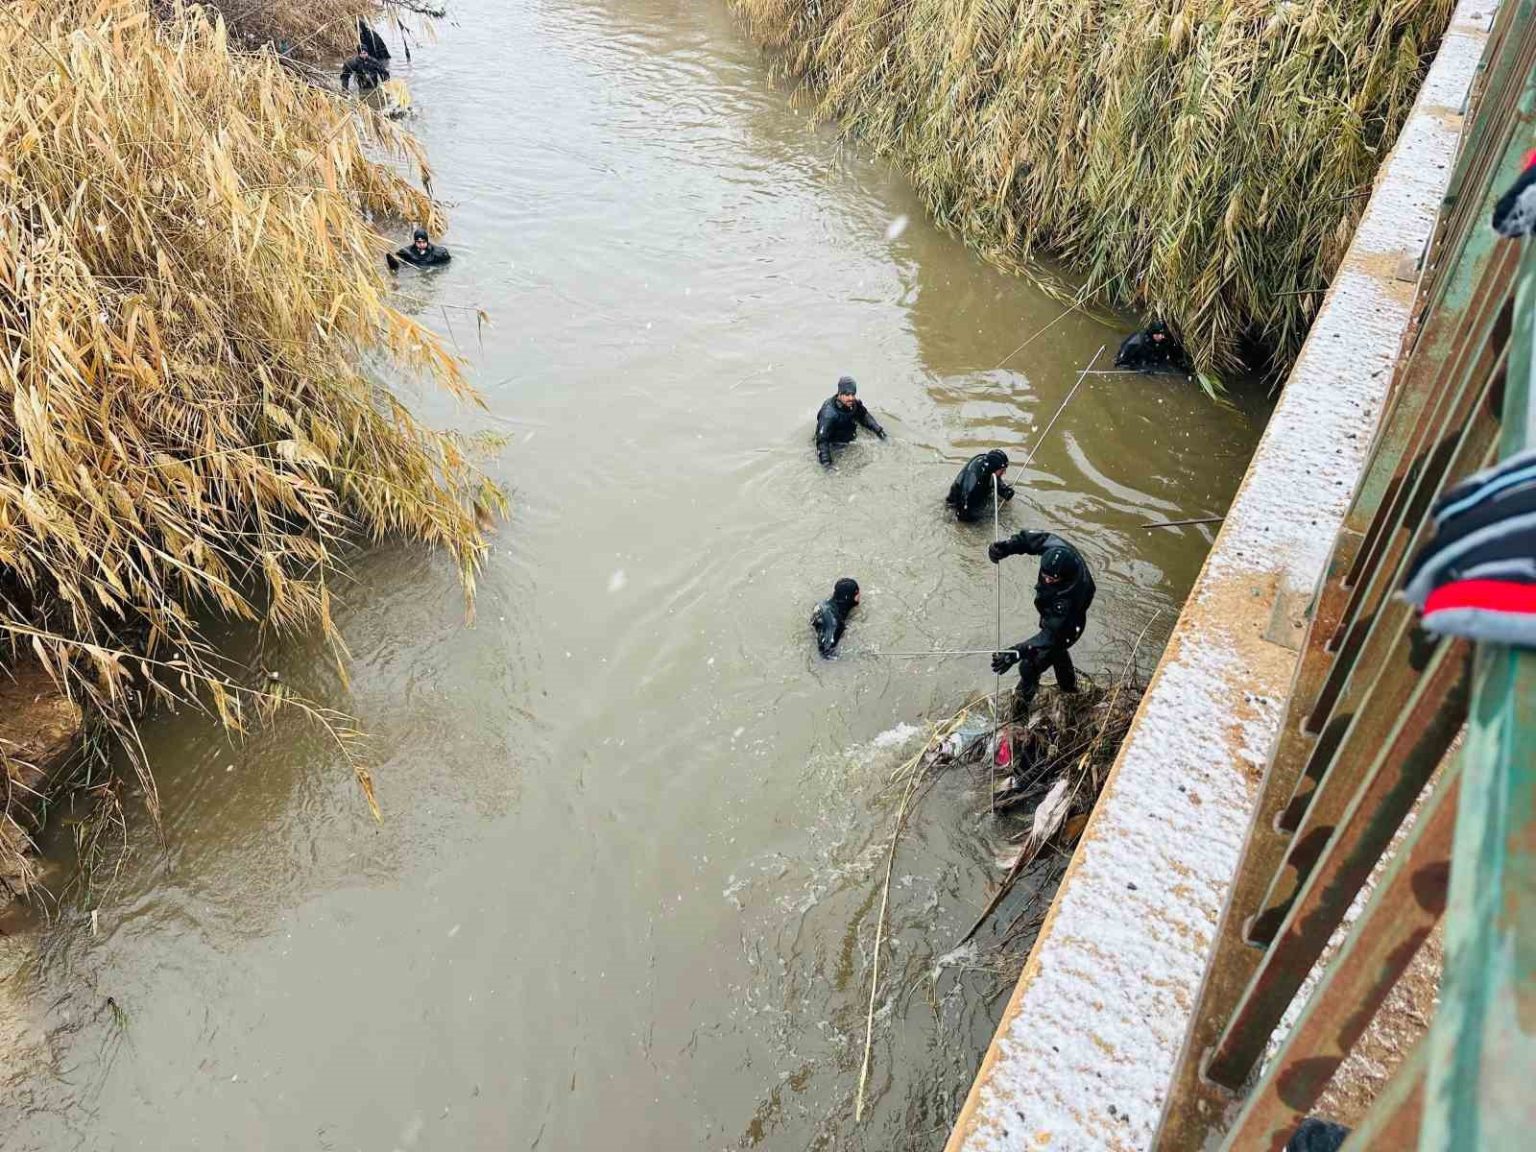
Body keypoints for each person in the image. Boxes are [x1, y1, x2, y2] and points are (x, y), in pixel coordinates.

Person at [987, 530, 1096, 713]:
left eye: (1052, 578)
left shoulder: (1070, 598)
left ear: (1064, 576)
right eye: (1044, 574)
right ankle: (1069, 689)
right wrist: (1006, 547)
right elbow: (1030, 540)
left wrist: (1016, 652)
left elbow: (1051, 636)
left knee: (1029, 666)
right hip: (1051, 614)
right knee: (1057, 653)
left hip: (1068, 627)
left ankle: (1019, 710)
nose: (1046, 580)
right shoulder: (1056, 548)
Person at [815, 376, 886, 467]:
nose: (851, 398)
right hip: (834, 446)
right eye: (847, 394)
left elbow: (864, 416)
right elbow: (822, 441)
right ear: (840, 393)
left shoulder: (854, 404)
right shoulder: (828, 413)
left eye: (853, 394)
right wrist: (827, 464)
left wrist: (879, 431)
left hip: (851, 440)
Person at [947, 449, 1014, 523]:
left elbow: (994, 477)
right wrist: (984, 521)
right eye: (1002, 470)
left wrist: (1003, 490)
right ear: (994, 467)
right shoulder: (973, 482)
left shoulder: (988, 464)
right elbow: (963, 511)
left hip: (974, 495)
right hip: (960, 504)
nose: (1004, 473)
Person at [1114, 319, 1191, 374]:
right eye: (1158, 334)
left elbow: (1174, 356)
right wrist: (1139, 370)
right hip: (1138, 363)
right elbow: (1120, 362)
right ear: (1152, 333)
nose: (1161, 336)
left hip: (1154, 361)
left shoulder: (1165, 339)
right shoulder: (1136, 342)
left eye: (1162, 334)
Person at [811, 578, 860, 657]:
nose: (860, 596)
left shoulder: (822, 603)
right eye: (857, 593)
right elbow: (825, 653)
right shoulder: (836, 624)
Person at [387, 228, 452, 271]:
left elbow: (447, 263)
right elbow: (399, 260)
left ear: (427, 241)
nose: (421, 244)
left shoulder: (437, 253)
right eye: (419, 242)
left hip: (431, 266)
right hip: (414, 267)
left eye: (424, 242)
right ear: (415, 242)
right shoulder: (407, 252)